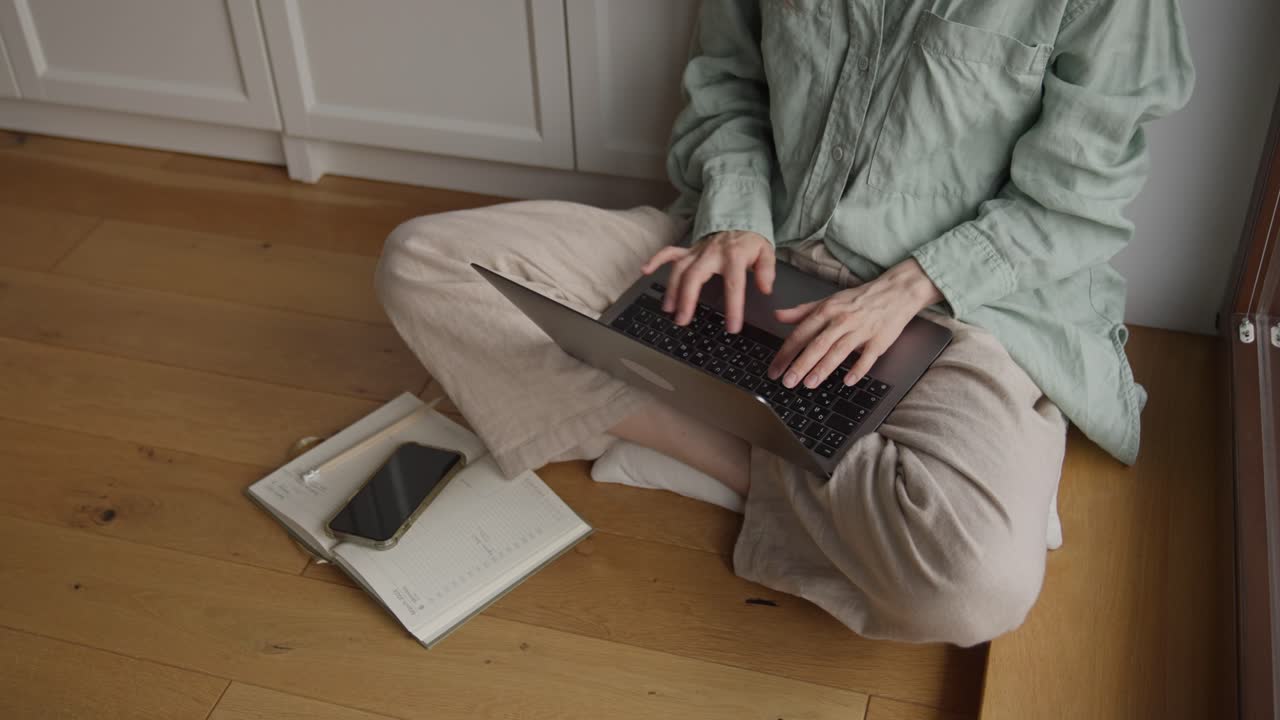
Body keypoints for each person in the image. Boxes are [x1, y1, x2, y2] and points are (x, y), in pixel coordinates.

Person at [375, 0, 1193, 646]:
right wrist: (734, 222)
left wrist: (913, 285)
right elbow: (728, 88)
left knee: (975, 583)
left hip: (960, 308)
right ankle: (786, 458)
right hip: (755, 248)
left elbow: (1077, 201)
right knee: (426, 264)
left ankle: (683, 432)